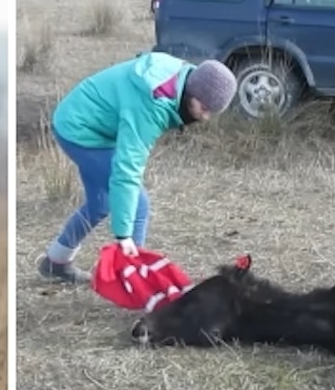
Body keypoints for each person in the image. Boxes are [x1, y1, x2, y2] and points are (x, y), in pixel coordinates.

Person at [36, 52, 238, 284]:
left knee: (100, 203)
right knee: (138, 205)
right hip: (79, 128)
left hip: (93, 122)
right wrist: (124, 236)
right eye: (204, 108)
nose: (205, 117)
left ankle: (56, 262)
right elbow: (127, 169)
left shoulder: (185, 80)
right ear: (193, 92)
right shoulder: (153, 102)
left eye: (212, 112)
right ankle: (132, 282)